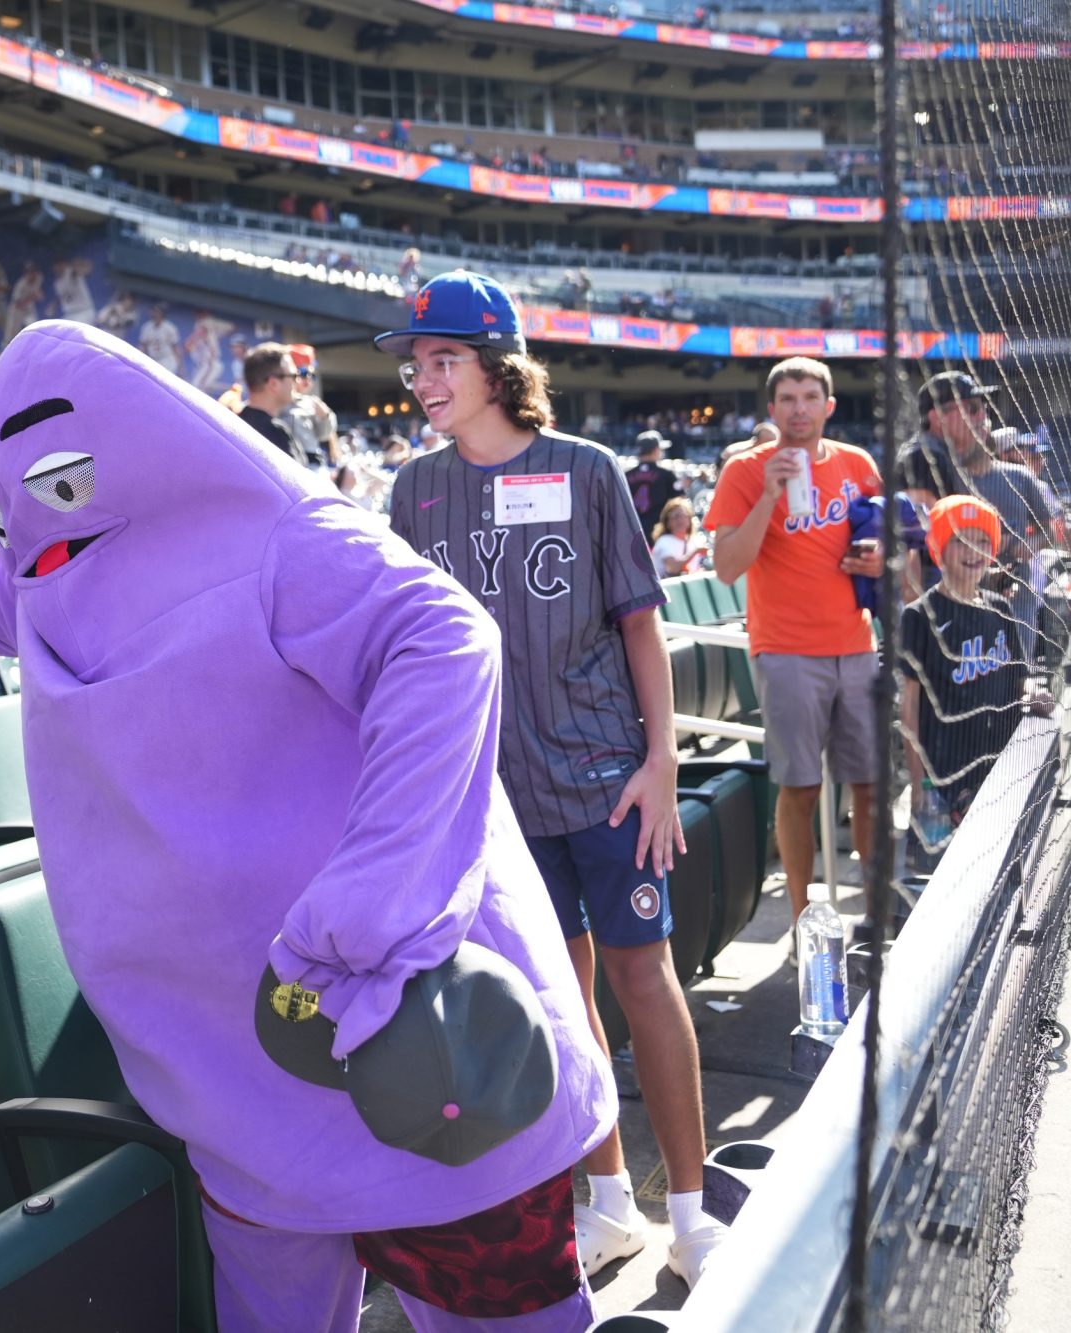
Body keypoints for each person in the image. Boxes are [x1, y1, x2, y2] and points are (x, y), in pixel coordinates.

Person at [0, 318, 612, 1333]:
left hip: (407, 1032)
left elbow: (444, 640)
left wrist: (371, 906)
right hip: (234, 1062)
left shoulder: (288, 538)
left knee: (500, 1314)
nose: (33, 513)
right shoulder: (41, 578)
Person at [382, 270, 721, 1289]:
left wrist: (660, 763)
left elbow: (639, 625)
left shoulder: (584, 469)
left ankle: (693, 1217)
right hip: (493, 801)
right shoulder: (413, 489)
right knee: (553, 1000)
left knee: (639, 979)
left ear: (496, 364)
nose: (422, 379)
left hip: (608, 783)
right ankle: (606, 1200)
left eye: (441, 360)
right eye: (415, 363)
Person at [704, 357, 884, 903]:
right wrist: (768, 495)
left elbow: (887, 547)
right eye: (788, 398)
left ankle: (876, 905)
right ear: (772, 408)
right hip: (786, 652)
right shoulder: (745, 470)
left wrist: (879, 561)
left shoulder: (858, 463)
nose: (799, 408)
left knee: (871, 787)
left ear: (829, 407)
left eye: (810, 397)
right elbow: (729, 565)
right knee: (800, 789)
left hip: (856, 646)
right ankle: (802, 915)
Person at [898, 496, 1050, 855]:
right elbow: (908, 707)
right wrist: (920, 784)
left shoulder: (999, 608)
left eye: (982, 541)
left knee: (1003, 867)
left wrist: (1033, 690)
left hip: (999, 768)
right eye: (960, 539)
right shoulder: (920, 617)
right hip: (947, 778)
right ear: (938, 547)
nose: (973, 551)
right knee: (946, 878)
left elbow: (1020, 676)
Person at [899, 371, 1057, 656]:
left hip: (949, 601)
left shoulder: (943, 456)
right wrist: (1005, 546)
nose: (981, 415)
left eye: (981, 407)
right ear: (938, 417)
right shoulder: (925, 456)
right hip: (932, 611)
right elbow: (923, 539)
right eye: (970, 409)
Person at [237, 343, 298, 459]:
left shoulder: (232, 425)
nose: (297, 381)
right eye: (293, 376)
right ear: (273, 384)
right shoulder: (277, 433)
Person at [624, 430, 685, 535]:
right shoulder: (666, 474)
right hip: (659, 531)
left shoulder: (626, 475)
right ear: (656, 450)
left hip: (632, 531)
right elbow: (681, 500)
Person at [652, 497, 710, 575]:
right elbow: (673, 568)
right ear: (667, 522)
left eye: (683, 515)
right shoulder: (664, 541)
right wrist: (695, 552)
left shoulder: (694, 541)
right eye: (675, 516)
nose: (679, 520)